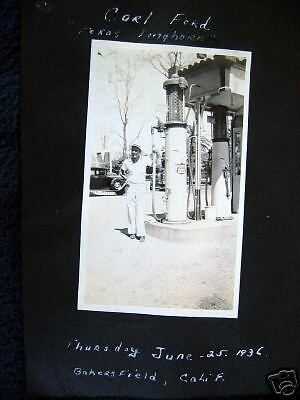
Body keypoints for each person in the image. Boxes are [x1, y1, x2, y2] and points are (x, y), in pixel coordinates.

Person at [120, 144, 146, 242]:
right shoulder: (127, 162)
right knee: (131, 209)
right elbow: (121, 171)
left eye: (136, 150)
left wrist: (156, 152)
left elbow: (155, 164)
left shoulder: (144, 160)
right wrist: (126, 179)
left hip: (141, 187)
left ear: (140, 152)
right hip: (131, 187)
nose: (134, 152)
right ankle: (131, 232)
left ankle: (141, 234)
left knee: (139, 210)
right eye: (133, 150)